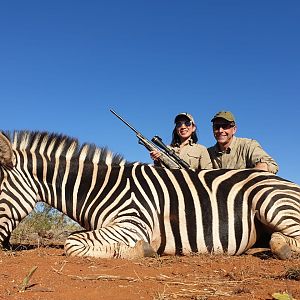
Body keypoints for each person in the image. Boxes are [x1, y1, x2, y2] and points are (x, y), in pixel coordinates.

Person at [208, 111, 278, 174]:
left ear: (234, 129)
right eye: (216, 127)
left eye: (225, 126)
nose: (220, 130)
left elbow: (271, 164)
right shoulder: (208, 153)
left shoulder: (248, 145)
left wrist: (245, 177)